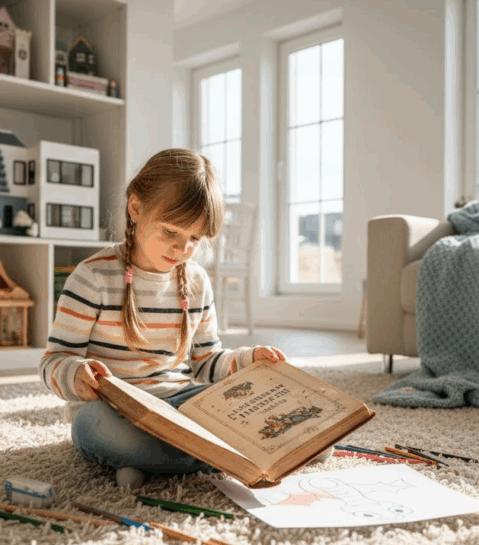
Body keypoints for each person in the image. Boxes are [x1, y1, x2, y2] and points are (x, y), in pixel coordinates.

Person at [39, 148, 292, 491]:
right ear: (136, 208)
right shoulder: (91, 277)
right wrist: (74, 373)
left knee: (241, 405)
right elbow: (53, 360)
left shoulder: (197, 281)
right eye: (171, 232)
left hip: (180, 405)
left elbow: (206, 363)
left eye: (194, 239)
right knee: (92, 427)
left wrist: (249, 359)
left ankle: (150, 463)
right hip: (115, 410)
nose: (182, 249)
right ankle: (241, 454)